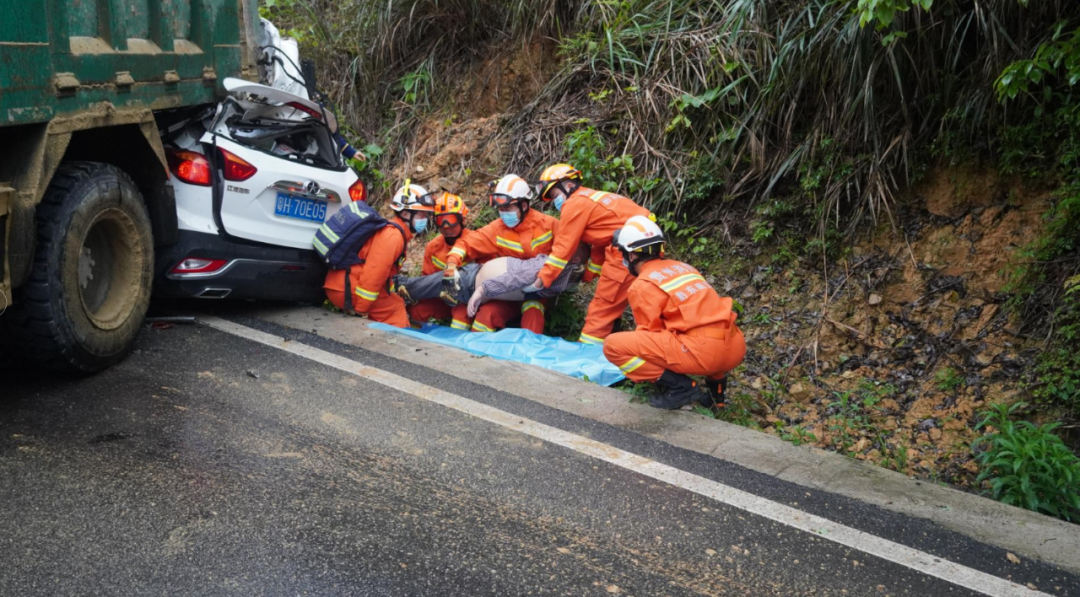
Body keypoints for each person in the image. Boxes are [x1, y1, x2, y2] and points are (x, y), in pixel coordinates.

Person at [602, 215, 746, 410]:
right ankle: (716, 399)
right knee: (706, 330)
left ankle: (681, 388)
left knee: (613, 346)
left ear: (632, 255)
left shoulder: (642, 284)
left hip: (705, 354)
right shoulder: (684, 267)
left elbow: (649, 335)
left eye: (622, 253)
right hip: (735, 345)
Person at [531, 163, 652, 346]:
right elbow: (601, 241)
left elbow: (563, 247)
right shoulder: (592, 198)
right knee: (641, 297)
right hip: (647, 241)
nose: (556, 201)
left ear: (569, 185)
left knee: (603, 306)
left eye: (555, 195)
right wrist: (590, 274)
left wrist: (543, 278)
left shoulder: (574, 204)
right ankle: (616, 337)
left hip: (629, 249)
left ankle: (586, 354)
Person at [441, 174, 560, 333]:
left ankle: (527, 353)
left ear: (523, 205)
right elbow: (466, 243)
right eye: (500, 210)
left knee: (533, 310)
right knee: (486, 316)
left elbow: (568, 250)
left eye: (507, 209)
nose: (503, 214)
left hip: (537, 289)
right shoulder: (497, 228)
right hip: (506, 290)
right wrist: (451, 265)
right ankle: (473, 356)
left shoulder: (549, 225)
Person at [322, 181, 434, 328]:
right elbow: (373, 275)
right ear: (405, 213)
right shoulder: (393, 237)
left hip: (345, 286)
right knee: (395, 309)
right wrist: (361, 311)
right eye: (421, 214)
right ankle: (392, 348)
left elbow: (383, 275)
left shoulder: (396, 233)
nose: (425, 219)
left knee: (395, 302)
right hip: (347, 289)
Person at [396, 244, 591, 320]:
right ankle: (403, 294)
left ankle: (396, 287)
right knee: (425, 287)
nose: (561, 247)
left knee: (416, 286)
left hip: (470, 283)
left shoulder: (554, 268)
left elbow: (515, 278)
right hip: (471, 280)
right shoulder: (568, 275)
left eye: (569, 247)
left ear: (574, 260)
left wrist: (482, 290)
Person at [407, 191, 475, 331]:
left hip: (468, 299)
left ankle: (454, 348)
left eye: (451, 221)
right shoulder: (433, 246)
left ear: (463, 219)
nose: (446, 227)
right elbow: (427, 279)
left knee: (460, 317)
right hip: (442, 298)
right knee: (417, 310)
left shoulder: (476, 241)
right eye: (441, 221)